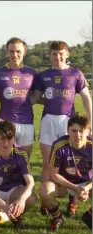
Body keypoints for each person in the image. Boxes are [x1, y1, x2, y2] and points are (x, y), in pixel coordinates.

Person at [34, 41, 92, 217]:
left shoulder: (76, 73)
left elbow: (86, 98)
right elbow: (36, 98)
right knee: (47, 163)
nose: (57, 57)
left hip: (69, 122)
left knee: (74, 161)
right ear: (49, 55)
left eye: (61, 53)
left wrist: (91, 121)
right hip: (48, 121)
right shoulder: (43, 75)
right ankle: (46, 199)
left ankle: (72, 201)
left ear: (67, 54)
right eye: (54, 53)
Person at [0, 37, 41, 158]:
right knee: (3, 159)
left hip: (26, 123)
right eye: (11, 51)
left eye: (18, 51)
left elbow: (36, 95)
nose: (14, 55)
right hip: (5, 121)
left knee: (24, 161)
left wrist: (25, 103)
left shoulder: (31, 73)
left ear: (24, 52)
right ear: (7, 52)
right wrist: (2, 97)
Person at [0, 120, 37, 231]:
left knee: (31, 199)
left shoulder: (21, 154)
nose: (6, 143)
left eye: (9, 139)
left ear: (14, 138)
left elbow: (31, 183)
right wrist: (2, 204)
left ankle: (17, 214)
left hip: (14, 190)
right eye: (2, 139)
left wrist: (21, 200)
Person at [40, 113, 92, 232]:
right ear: (67, 130)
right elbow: (53, 174)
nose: (77, 135)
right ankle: (57, 217)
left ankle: (90, 216)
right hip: (65, 183)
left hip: (87, 183)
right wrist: (75, 188)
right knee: (45, 189)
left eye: (81, 131)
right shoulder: (59, 146)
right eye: (73, 131)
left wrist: (87, 188)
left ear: (88, 131)